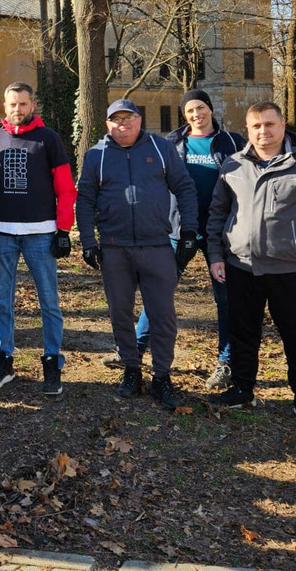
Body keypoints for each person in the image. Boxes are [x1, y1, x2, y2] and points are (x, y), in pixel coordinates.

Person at [206, 102, 296, 433]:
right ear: (248, 129)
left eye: (270, 124)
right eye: (256, 126)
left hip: (291, 270)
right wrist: (215, 255)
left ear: (283, 125)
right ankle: (242, 389)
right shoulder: (233, 165)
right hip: (240, 267)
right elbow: (217, 214)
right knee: (242, 333)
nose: (263, 132)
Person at [114, 90, 245, 389]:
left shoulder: (232, 142)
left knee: (226, 299)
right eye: (189, 110)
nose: (196, 114)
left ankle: (226, 361)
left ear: (210, 109)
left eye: (200, 107)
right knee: (159, 291)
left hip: (221, 230)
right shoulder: (171, 143)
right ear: (184, 115)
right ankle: (135, 349)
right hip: (178, 229)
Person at [75, 99, 199, 411]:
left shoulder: (161, 148)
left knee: (163, 314)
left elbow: (184, 188)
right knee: (120, 312)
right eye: (116, 120)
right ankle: (131, 369)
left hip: (157, 245)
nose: (123, 125)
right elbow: (85, 199)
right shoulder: (96, 156)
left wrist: (188, 232)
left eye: (128, 119)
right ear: (108, 125)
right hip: (115, 248)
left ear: (139, 120)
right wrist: (89, 241)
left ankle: (162, 375)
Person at [0, 82, 76, 396]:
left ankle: (51, 360)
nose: (17, 110)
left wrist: (63, 230)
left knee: (49, 302)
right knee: (1, 302)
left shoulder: (49, 139)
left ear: (32, 105)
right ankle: (3, 358)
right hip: (2, 233)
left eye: (23, 104)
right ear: (4, 107)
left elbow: (65, 187)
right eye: (12, 105)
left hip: (41, 234)